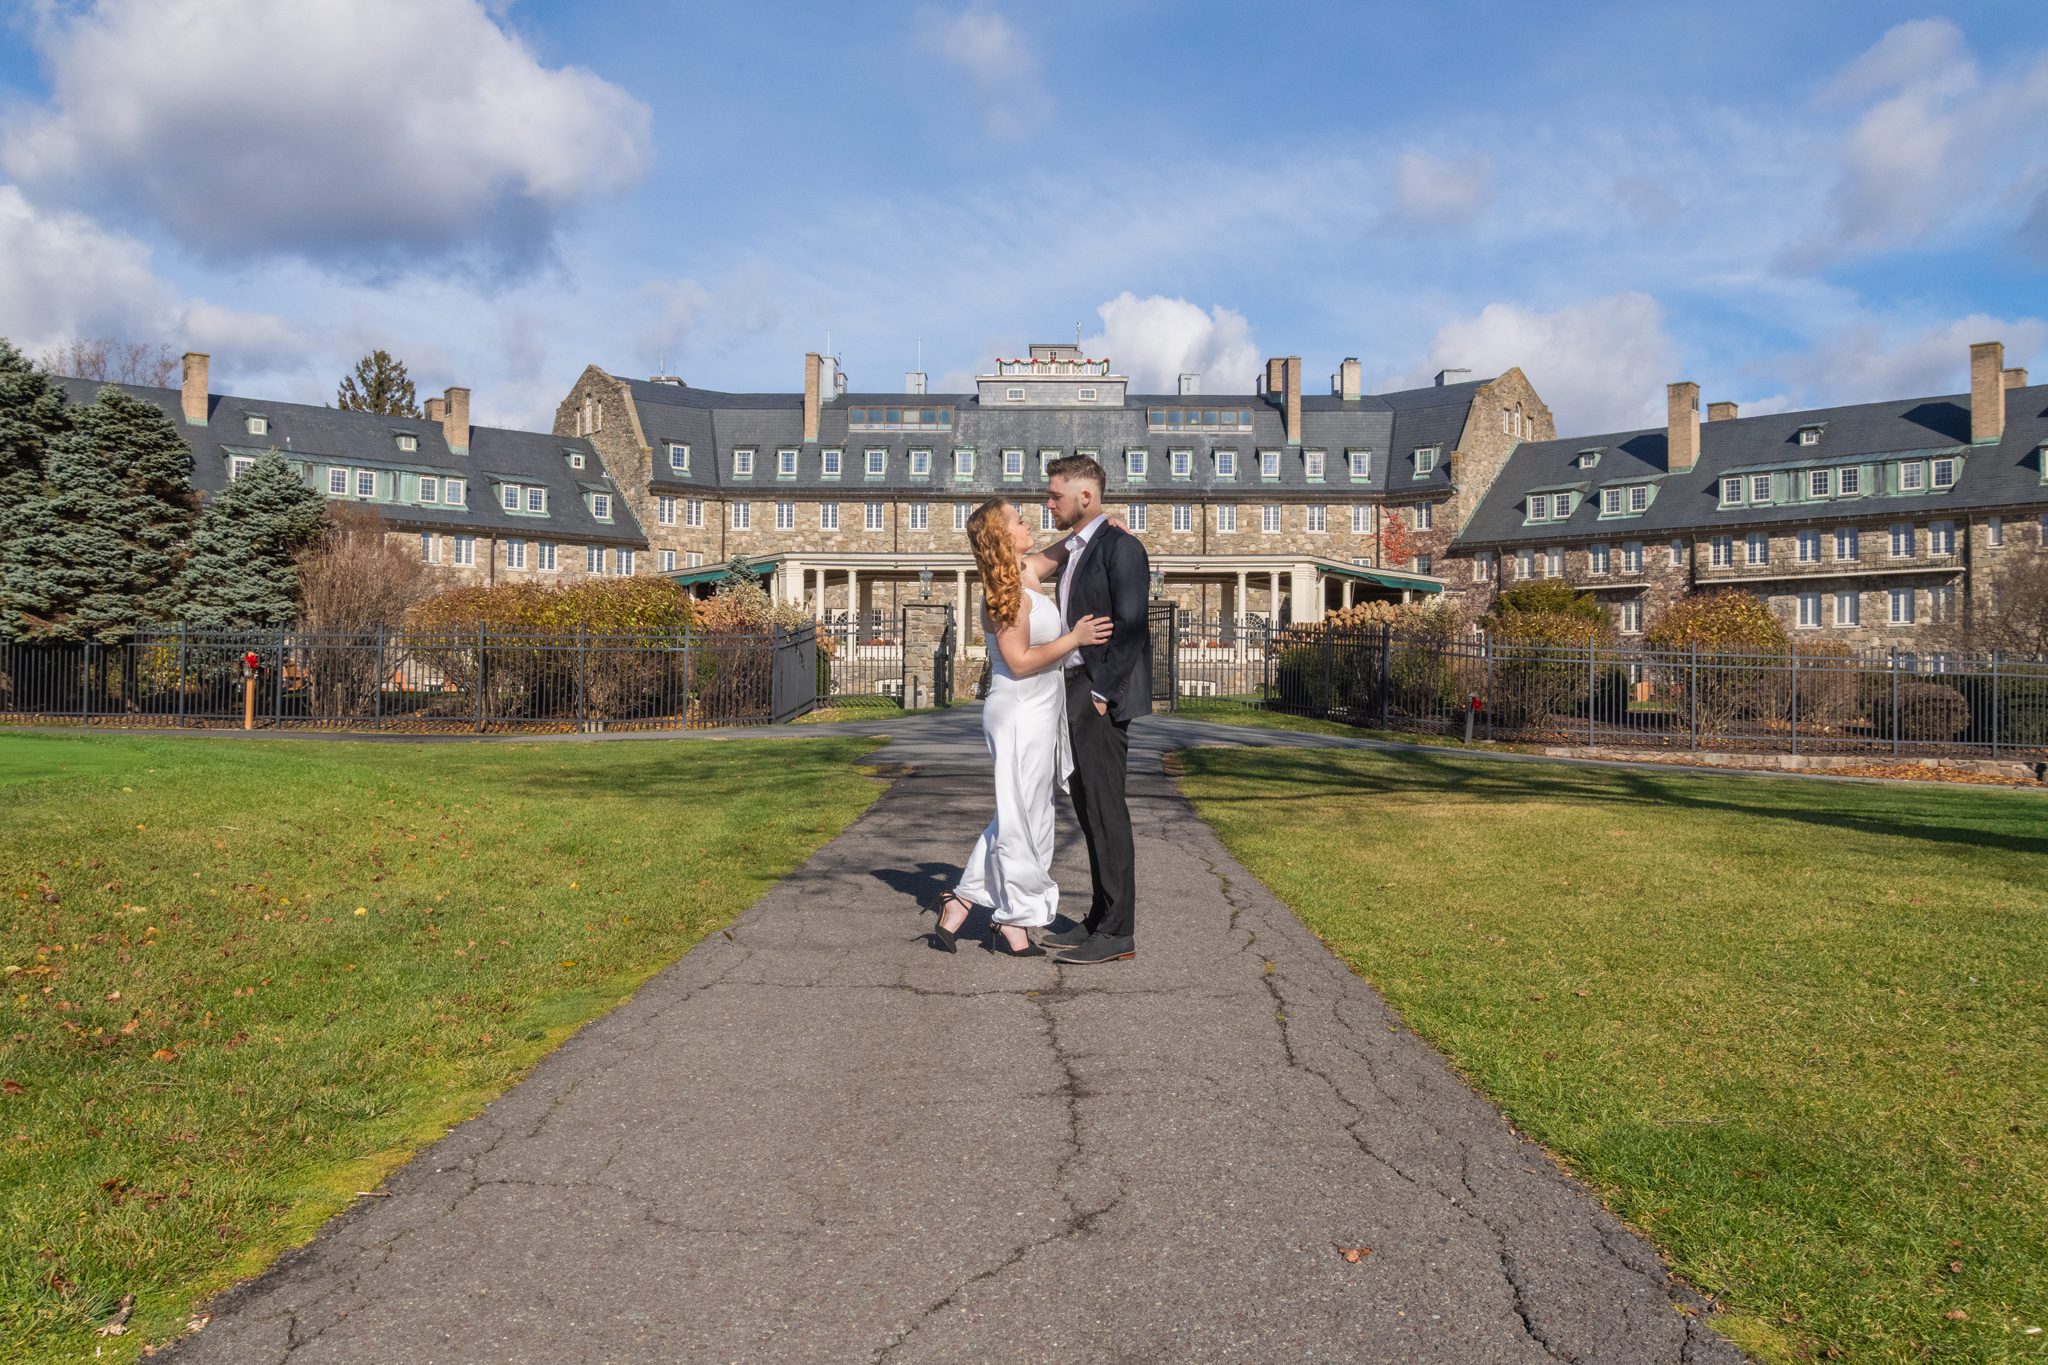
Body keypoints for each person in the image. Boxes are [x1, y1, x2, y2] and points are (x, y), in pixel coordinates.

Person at [926, 499, 1112, 956]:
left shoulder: (1027, 570)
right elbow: (1020, 661)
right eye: (1019, 519)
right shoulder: (1002, 592)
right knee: (1023, 816)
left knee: (1028, 813)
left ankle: (964, 900)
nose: (1029, 522)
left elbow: (1068, 546)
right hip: (1018, 710)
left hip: (1040, 710)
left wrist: (1106, 523)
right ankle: (1014, 918)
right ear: (1002, 535)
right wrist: (1074, 638)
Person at [1035, 455, 1151, 966]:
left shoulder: (1123, 547)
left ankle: (1119, 931)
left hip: (1097, 693)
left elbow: (1132, 625)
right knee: (1087, 809)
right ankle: (1102, 916)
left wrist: (1103, 693)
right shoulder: (1079, 548)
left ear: (1086, 496)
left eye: (1055, 495)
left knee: (1106, 809)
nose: (1048, 503)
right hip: (1073, 689)